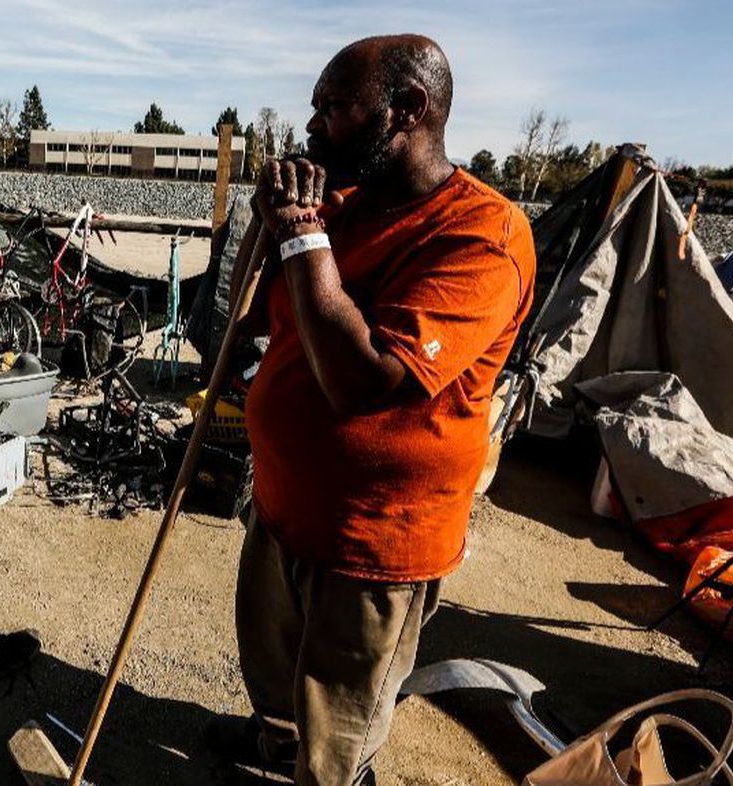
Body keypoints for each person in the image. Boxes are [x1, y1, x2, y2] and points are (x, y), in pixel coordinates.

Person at [211, 34, 538, 785]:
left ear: (407, 111)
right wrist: (268, 226)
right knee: (276, 669)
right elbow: (242, 322)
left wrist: (302, 235)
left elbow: (362, 383)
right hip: (283, 504)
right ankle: (274, 742)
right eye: (316, 109)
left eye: (335, 107)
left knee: (342, 719)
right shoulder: (341, 206)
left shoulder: (483, 237)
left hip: (375, 540)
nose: (314, 126)